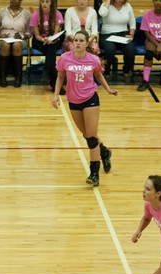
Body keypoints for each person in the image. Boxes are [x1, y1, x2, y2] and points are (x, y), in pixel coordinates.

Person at [51, 30, 116, 186]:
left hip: (90, 99)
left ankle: (94, 174)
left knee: (92, 138)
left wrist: (108, 89)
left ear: (87, 43)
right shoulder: (65, 58)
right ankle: (105, 152)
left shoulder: (93, 59)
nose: (78, 43)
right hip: (73, 101)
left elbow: (98, 75)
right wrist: (56, 95)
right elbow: (60, 77)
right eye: (76, 40)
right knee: (87, 135)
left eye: (81, 40)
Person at [0, 0, 32, 87]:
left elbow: (29, 32)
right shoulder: (2, 11)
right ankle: (2, 77)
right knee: (5, 46)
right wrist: (1, 35)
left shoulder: (26, 13)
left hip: (20, 39)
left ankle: (18, 77)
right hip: (3, 38)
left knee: (16, 45)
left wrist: (22, 36)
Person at [98, 0, 136, 83]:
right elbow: (102, 14)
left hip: (123, 34)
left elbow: (132, 20)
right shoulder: (106, 5)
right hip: (107, 34)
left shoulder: (127, 5)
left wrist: (131, 34)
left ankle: (126, 71)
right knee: (110, 49)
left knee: (130, 49)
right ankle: (106, 72)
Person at [30, 0, 64, 92]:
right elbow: (37, 35)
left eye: (47, 1)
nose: (44, 4)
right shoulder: (35, 15)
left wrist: (51, 39)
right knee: (50, 51)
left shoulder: (57, 14)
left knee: (51, 49)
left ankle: (47, 72)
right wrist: (44, 40)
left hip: (53, 39)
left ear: (51, 3)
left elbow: (56, 33)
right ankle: (53, 81)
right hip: (39, 40)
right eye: (42, 1)